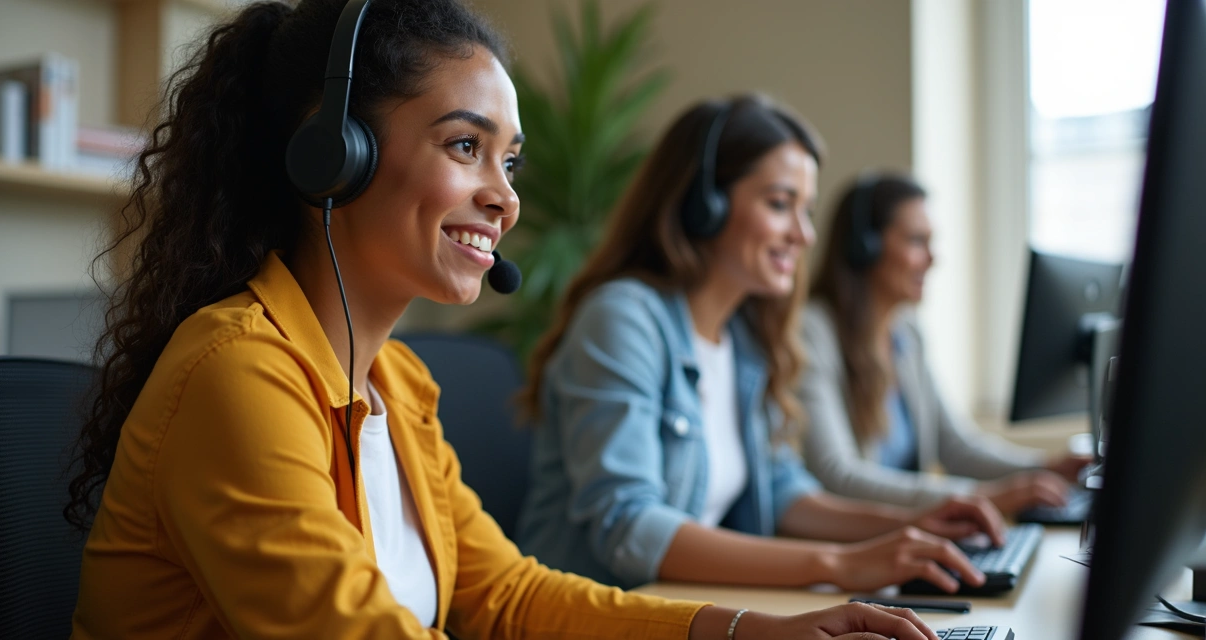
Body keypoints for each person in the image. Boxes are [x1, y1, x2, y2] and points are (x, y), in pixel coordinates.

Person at [60, 2, 942, 638]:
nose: (504, 197)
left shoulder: (396, 384)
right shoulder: (238, 372)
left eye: (509, 161)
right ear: (335, 157)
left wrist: (752, 633)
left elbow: (511, 596)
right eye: (464, 146)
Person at [516, 95, 1005, 595]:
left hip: (679, 607)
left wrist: (915, 524)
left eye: (806, 210)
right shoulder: (623, 318)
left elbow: (783, 490)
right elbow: (629, 527)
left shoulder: (745, 336)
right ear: (703, 205)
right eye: (779, 204)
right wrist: (838, 565)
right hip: (590, 614)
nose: (804, 234)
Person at [799, 172, 1091, 513]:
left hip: (909, 536)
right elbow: (838, 476)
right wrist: (981, 498)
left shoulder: (906, 332)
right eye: (916, 241)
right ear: (866, 246)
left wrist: (1046, 467)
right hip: (858, 543)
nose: (933, 258)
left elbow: (955, 446)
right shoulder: (813, 332)